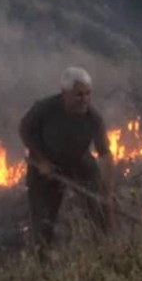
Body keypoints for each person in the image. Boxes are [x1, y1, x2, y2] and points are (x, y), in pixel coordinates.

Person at [19, 67, 114, 252]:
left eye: (88, 94)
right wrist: (41, 160)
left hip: (78, 161)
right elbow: (24, 130)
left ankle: (107, 251)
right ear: (65, 93)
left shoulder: (93, 118)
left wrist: (107, 191)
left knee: (101, 210)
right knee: (44, 222)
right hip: (47, 165)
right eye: (79, 95)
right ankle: (42, 260)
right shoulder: (44, 109)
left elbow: (105, 153)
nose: (85, 99)